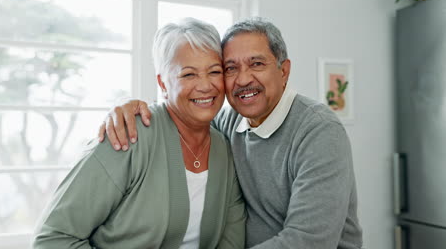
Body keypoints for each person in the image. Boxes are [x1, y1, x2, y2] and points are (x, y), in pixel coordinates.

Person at [99, 17, 363, 248]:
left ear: (283, 71)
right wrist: (133, 109)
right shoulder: (227, 121)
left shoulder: (318, 131)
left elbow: (308, 242)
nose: (243, 79)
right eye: (230, 68)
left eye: (256, 64)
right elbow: (182, 116)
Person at [33, 18, 246, 249]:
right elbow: (52, 238)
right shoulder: (127, 136)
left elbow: (231, 242)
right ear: (163, 84)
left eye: (214, 71)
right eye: (188, 75)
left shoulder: (225, 149)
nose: (205, 85)